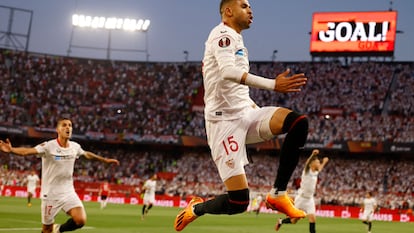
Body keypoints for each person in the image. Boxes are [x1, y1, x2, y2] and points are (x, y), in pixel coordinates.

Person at [174, 0, 309, 231]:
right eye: (244, 5)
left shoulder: (236, 38)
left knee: (298, 122)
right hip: (223, 122)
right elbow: (227, 72)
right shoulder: (222, 34)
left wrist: (251, 105)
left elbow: (231, 86)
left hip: (245, 113)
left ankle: (278, 194)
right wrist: (272, 84)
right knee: (238, 202)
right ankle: (195, 209)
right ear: (228, 11)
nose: (250, 10)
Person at [0, 117, 120, 233]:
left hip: (68, 192)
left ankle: (58, 230)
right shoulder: (48, 146)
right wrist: (12, 150)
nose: (68, 127)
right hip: (51, 194)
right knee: (46, 230)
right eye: (64, 125)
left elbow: (87, 154)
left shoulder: (75, 147)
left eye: (70, 125)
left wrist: (104, 160)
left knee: (80, 220)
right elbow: (28, 151)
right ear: (58, 130)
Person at [275, 149, 329, 233]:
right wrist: (312, 155)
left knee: (312, 219)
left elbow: (320, 168)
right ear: (312, 164)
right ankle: (280, 221)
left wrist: (324, 162)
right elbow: (307, 163)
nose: (319, 163)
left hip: (310, 199)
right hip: (301, 198)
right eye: (317, 162)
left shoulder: (315, 172)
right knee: (294, 221)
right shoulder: (307, 171)